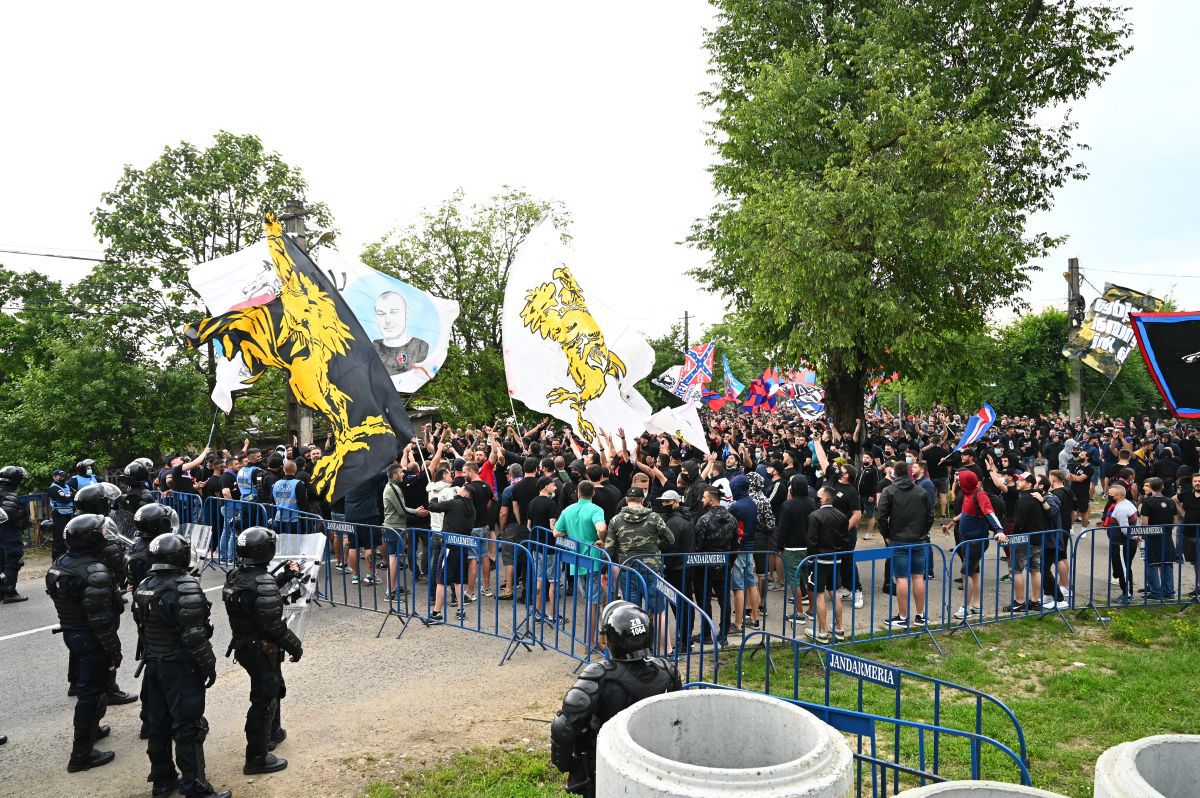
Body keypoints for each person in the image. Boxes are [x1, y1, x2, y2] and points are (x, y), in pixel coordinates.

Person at [132, 533, 231, 798]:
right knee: (189, 726)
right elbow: (195, 637)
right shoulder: (185, 586)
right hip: (179, 665)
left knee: (158, 722)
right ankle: (196, 787)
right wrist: (208, 666)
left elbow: (141, 626)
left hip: (153, 661)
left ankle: (162, 780)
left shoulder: (144, 584)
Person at [549, 601, 681, 797]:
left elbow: (564, 726)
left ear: (611, 639)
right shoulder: (667, 670)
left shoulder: (599, 674)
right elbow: (678, 717)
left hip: (606, 763)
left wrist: (567, 764)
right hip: (655, 761)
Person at [46, 514, 124, 771]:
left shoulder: (61, 562)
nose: (105, 536)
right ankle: (81, 754)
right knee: (90, 694)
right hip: (91, 637)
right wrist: (114, 652)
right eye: (101, 533)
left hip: (73, 632)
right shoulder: (94, 571)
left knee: (94, 687)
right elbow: (101, 621)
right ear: (90, 539)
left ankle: (93, 730)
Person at [223, 527, 303, 775]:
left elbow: (258, 595)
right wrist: (295, 645)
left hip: (244, 645)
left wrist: (284, 577)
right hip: (261, 647)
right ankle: (257, 757)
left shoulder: (235, 574)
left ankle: (273, 732)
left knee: (272, 688)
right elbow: (274, 626)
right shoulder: (260, 581)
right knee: (264, 699)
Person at [604, 487, 675, 652]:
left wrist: (604, 570)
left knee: (631, 613)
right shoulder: (653, 517)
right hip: (652, 569)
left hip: (628, 570)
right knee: (658, 611)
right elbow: (670, 539)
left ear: (627, 500)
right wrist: (656, 547)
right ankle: (668, 650)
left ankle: (635, 650)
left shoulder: (616, 520)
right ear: (642, 500)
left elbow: (609, 548)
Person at [876, 461, 934, 630]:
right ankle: (920, 615)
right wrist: (922, 532)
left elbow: (881, 515)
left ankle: (903, 617)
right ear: (908, 472)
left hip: (899, 539)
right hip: (918, 539)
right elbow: (930, 515)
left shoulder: (889, 490)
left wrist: (886, 534)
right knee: (918, 577)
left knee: (901, 578)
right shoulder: (921, 490)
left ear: (894, 473)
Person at [553, 480, 609, 649]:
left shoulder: (567, 510)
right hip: (594, 560)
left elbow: (556, 532)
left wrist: (569, 532)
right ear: (593, 493)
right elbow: (601, 528)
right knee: (595, 602)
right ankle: (590, 642)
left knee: (593, 600)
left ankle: (600, 635)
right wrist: (603, 540)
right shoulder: (596, 509)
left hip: (576, 561)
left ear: (578, 493)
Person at [949, 470, 1007, 619]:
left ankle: (966, 608)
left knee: (965, 572)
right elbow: (965, 512)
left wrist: (999, 530)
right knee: (975, 572)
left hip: (976, 542)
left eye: (960, 480)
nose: (958, 483)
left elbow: (989, 512)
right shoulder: (968, 494)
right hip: (967, 540)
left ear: (967, 482)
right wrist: (954, 521)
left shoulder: (980, 495)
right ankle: (977, 606)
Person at [805, 486, 849, 643]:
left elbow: (811, 541)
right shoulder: (842, 516)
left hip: (819, 559)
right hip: (835, 558)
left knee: (819, 594)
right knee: (834, 592)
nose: (817, 497)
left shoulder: (815, 515)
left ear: (825, 498)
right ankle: (839, 628)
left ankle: (822, 632)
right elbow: (845, 539)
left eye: (819, 495)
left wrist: (810, 559)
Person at [371, 290, 430, 377]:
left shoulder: (421, 348)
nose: (387, 320)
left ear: (407, 313)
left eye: (394, 312)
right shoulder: (372, 349)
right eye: (381, 314)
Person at [1139, 477, 1178, 600]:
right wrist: (1167, 531)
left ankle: (1156, 592)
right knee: (1167, 564)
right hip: (1166, 536)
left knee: (1152, 564)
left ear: (1151, 487)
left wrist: (1144, 534)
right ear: (1162, 487)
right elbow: (1175, 521)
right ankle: (1169, 592)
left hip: (1152, 536)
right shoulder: (1170, 501)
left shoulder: (1148, 502)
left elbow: (1145, 522)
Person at [127, 503, 180, 589]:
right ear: (159, 526)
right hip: (158, 596)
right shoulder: (159, 549)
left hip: (140, 595)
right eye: (166, 523)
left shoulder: (137, 545)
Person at [1102, 484, 1139, 604]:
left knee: (1124, 568)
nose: (1108, 495)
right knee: (1124, 567)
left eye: (1110, 494)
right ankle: (1126, 593)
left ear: (1117, 496)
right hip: (1121, 542)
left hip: (1122, 544)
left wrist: (1135, 537)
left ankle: (1127, 595)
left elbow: (1125, 530)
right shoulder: (1127, 503)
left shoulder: (1121, 509)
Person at [0, 465, 30, 603]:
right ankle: (9, 592)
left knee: (2, 561)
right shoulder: (8, 494)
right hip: (9, 533)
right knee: (12, 560)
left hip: (5, 533)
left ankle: (2, 590)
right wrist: (21, 514)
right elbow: (9, 513)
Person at [48, 468, 75, 559]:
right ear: (54, 477)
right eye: (60, 476)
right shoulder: (53, 488)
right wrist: (70, 495)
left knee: (68, 536)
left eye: (63, 475)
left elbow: (76, 494)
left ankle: (66, 558)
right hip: (59, 515)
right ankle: (56, 559)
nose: (62, 477)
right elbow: (64, 500)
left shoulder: (67, 486)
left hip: (69, 514)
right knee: (59, 538)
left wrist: (69, 496)